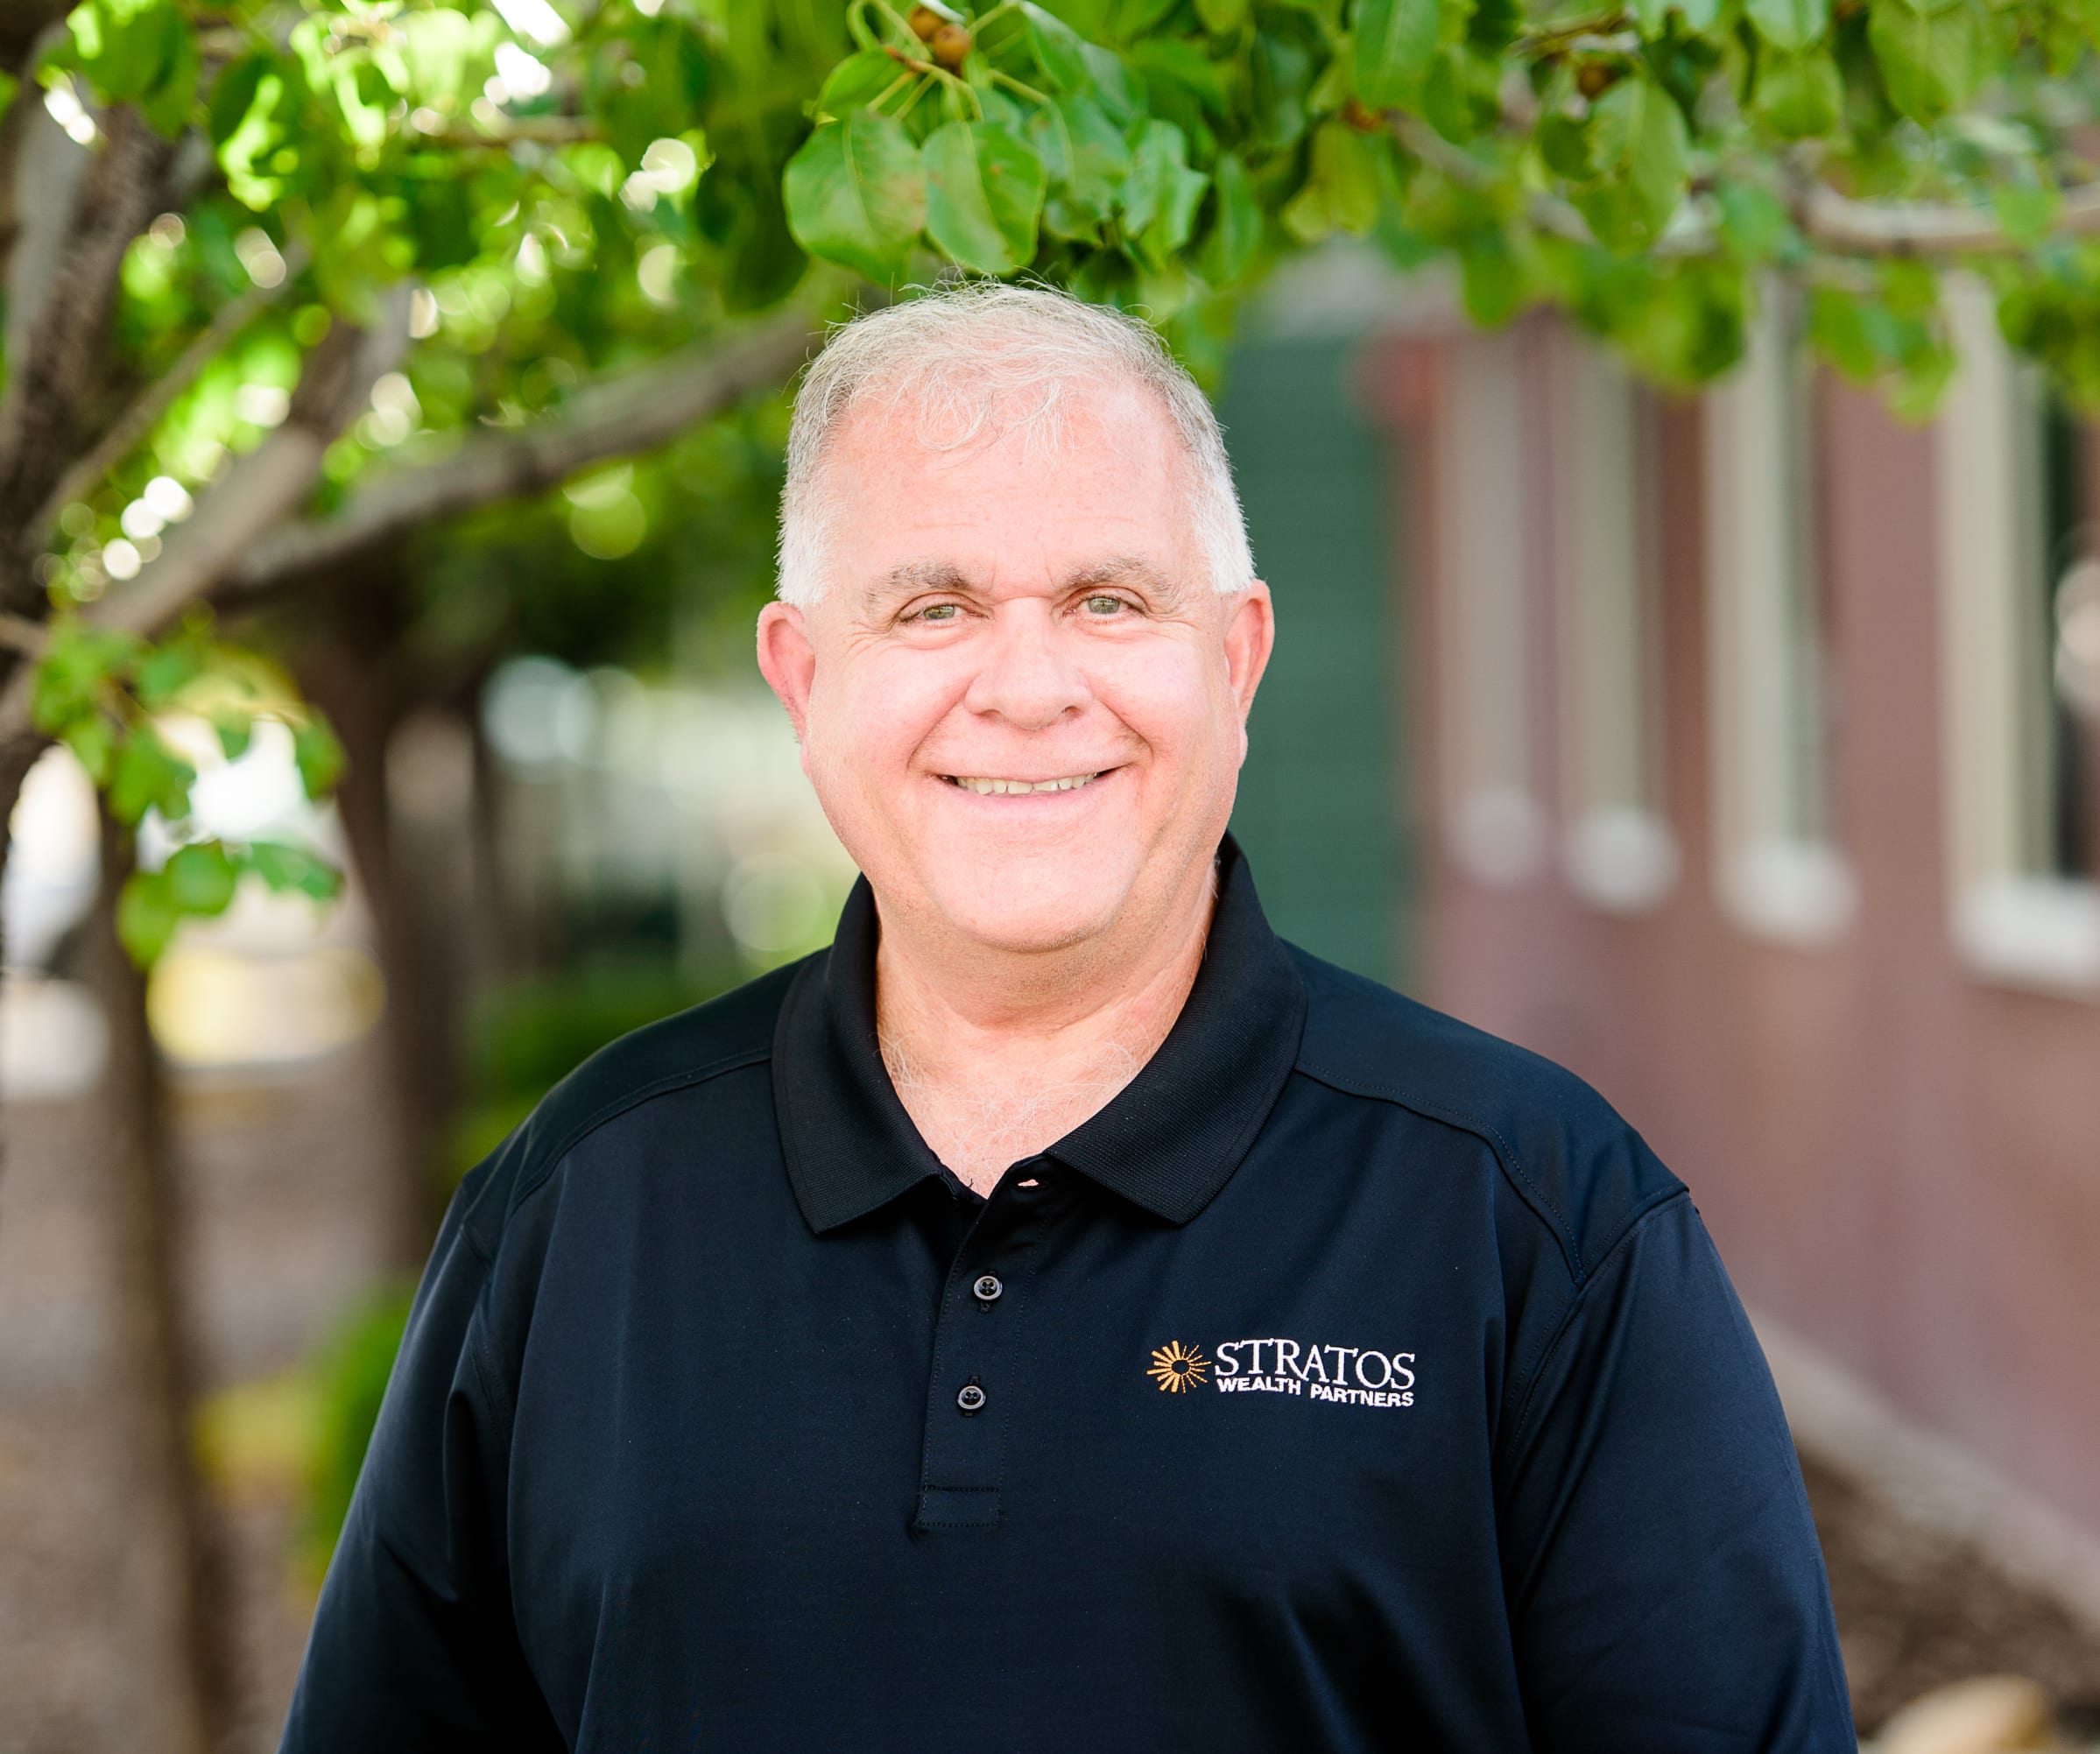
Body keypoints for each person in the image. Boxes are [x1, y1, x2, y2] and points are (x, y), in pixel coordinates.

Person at [277, 282, 1856, 1751]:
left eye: (1107, 600)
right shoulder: (582, 1205)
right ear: (801, 677)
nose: (1027, 690)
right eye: (932, 607)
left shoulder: (1535, 1216)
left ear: (1233, 660)